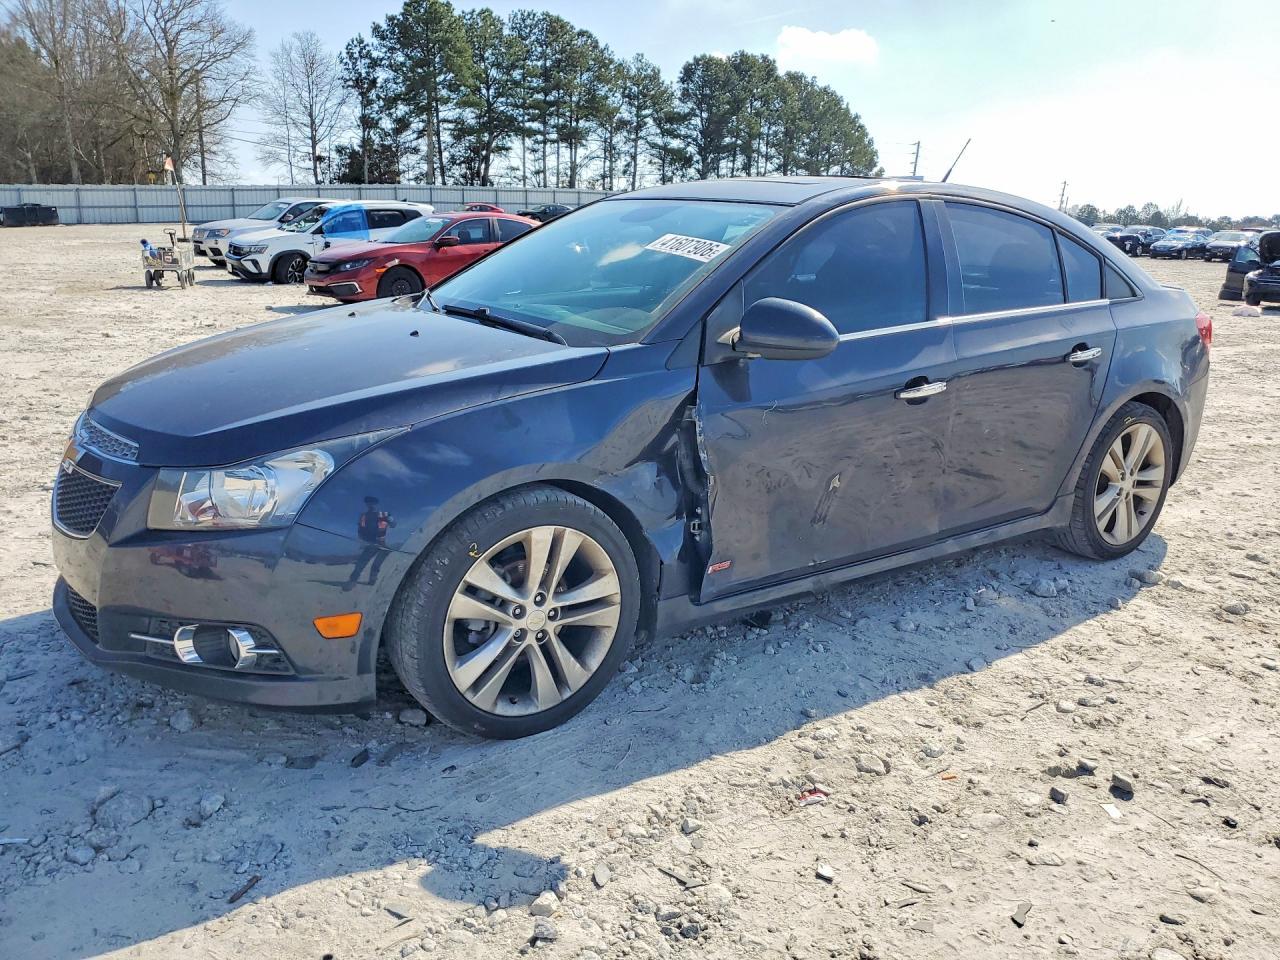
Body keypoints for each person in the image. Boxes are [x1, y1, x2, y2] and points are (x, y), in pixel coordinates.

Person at [345, 496, 395, 589]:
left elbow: (393, 525)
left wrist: (390, 519)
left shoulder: (384, 514)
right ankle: (352, 580)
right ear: (367, 504)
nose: (371, 505)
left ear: (377, 504)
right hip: (371, 543)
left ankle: (373, 579)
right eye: (369, 503)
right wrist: (362, 542)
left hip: (383, 544)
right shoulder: (364, 516)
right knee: (361, 563)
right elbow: (360, 530)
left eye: (373, 503)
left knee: (377, 564)